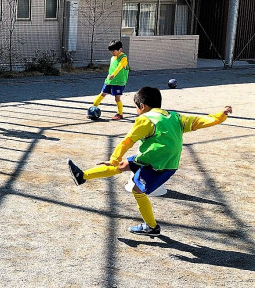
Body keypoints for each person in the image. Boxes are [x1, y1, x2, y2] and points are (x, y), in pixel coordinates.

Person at [68, 86, 232, 236]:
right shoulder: (175, 116)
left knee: (137, 191)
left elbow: (128, 140)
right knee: (123, 165)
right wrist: (220, 115)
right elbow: (200, 121)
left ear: (142, 106)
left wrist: (113, 158)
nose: (136, 111)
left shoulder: (146, 119)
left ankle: (151, 227)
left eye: (136, 107)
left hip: (159, 166)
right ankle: (82, 176)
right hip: (153, 159)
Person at [91, 40, 129, 120]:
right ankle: (92, 108)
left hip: (119, 82)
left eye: (113, 51)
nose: (112, 53)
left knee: (117, 98)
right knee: (102, 94)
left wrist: (113, 74)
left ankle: (120, 114)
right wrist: (110, 76)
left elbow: (120, 66)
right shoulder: (112, 58)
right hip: (109, 81)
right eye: (111, 51)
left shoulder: (123, 57)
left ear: (120, 50)